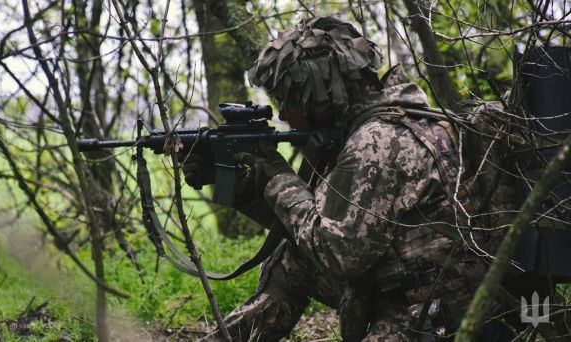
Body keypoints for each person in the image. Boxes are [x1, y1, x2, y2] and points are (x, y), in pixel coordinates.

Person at [184, 16, 506, 341]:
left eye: (287, 100)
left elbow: (337, 255)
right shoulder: (373, 127)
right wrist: (242, 187)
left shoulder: (376, 142)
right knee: (294, 259)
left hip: (432, 314)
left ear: (318, 97)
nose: (281, 115)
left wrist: (277, 175)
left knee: (306, 255)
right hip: (407, 289)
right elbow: (310, 229)